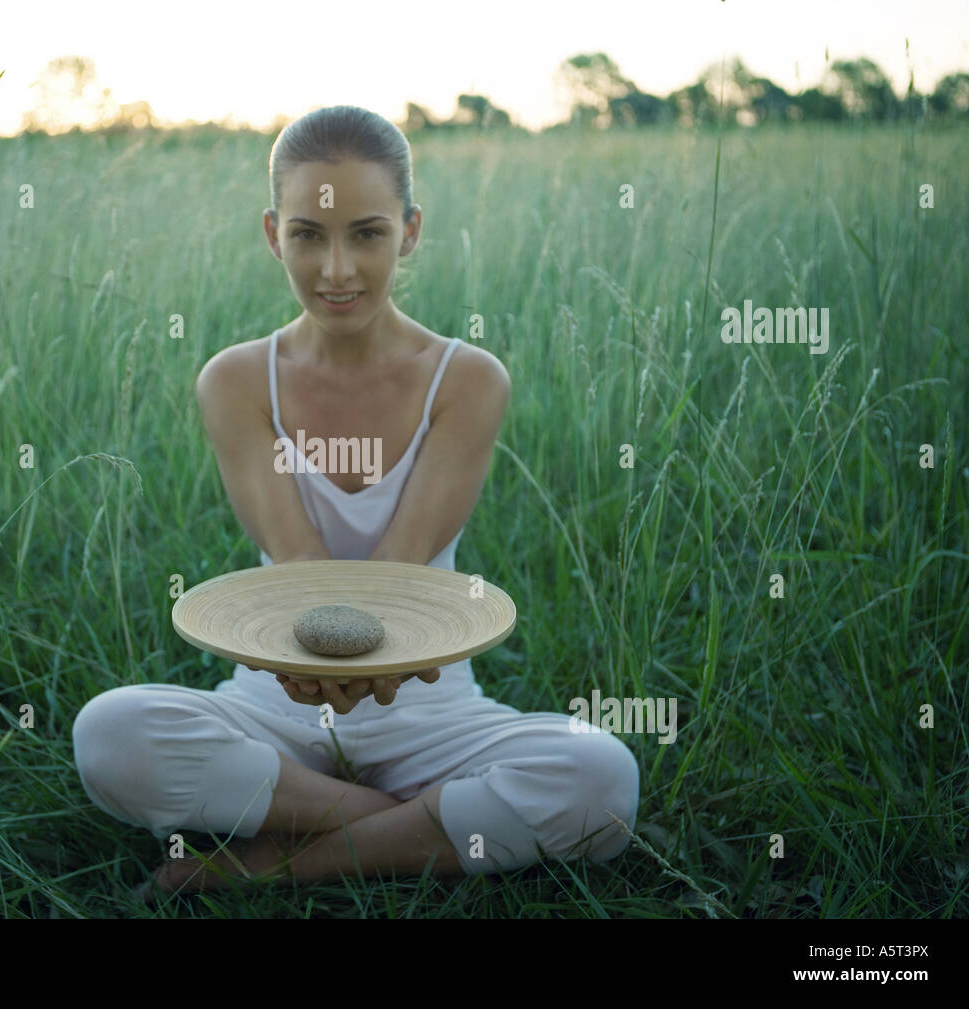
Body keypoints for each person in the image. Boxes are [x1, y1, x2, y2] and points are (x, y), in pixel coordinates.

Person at [73, 105, 639, 897]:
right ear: (273, 234)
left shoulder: (469, 380)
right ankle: (409, 819)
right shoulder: (234, 380)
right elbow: (300, 567)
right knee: (110, 734)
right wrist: (303, 675)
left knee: (602, 780)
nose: (336, 270)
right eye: (309, 234)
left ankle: (276, 860)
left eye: (366, 233)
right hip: (275, 700)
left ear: (409, 231)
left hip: (431, 706)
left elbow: (400, 581)